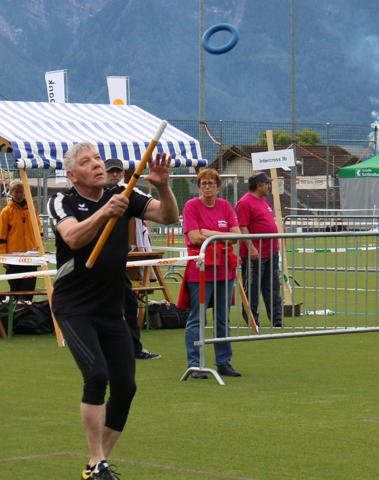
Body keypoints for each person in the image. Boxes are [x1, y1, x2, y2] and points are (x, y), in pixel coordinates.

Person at [48, 143, 178, 480]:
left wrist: (164, 187)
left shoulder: (122, 193)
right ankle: (97, 461)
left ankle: (97, 465)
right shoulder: (62, 201)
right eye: (86, 162)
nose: (96, 165)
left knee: (125, 387)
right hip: (74, 307)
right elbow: (73, 238)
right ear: (72, 175)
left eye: (97, 159)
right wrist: (105, 213)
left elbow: (168, 217)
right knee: (96, 376)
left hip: (111, 306)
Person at [178, 168, 242, 380]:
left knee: (223, 317)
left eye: (211, 183)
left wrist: (210, 234)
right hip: (201, 269)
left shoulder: (225, 206)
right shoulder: (191, 206)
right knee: (198, 317)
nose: (207, 187)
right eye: (203, 183)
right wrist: (221, 235)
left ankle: (223, 361)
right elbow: (195, 238)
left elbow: (236, 236)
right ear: (199, 186)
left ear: (218, 186)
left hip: (225, 268)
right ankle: (195, 364)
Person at [104, 158, 161, 360]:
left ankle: (134, 349)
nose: (114, 175)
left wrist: (162, 187)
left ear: (122, 174)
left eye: (117, 171)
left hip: (118, 265)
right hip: (93, 267)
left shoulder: (128, 194)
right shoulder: (93, 194)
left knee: (129, 305)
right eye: (110, 171)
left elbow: (164, 213)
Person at [236, 172, 283, 328]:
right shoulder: (244, 203)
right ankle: (251, 318)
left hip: (270, 252)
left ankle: (276, 317)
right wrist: (251, 248)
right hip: (255, 254)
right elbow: (243, 228)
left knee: (273, 286)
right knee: (252, 288)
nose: (269, 186)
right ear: (259, 186)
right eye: (267, 184)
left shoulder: (263, 200)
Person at [0, 179, 41, 301]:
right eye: (16, 192)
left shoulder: (32, 210)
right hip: (14, 258)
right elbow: (1, 237)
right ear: (11, 193)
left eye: (21, 192)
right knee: (15, 291)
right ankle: (14, 312)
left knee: (29, 291)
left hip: (31, 257)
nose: (19, 195)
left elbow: (39, 232)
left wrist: (39, 251)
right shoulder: (6, 212)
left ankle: (27, 311)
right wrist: (4, 258)